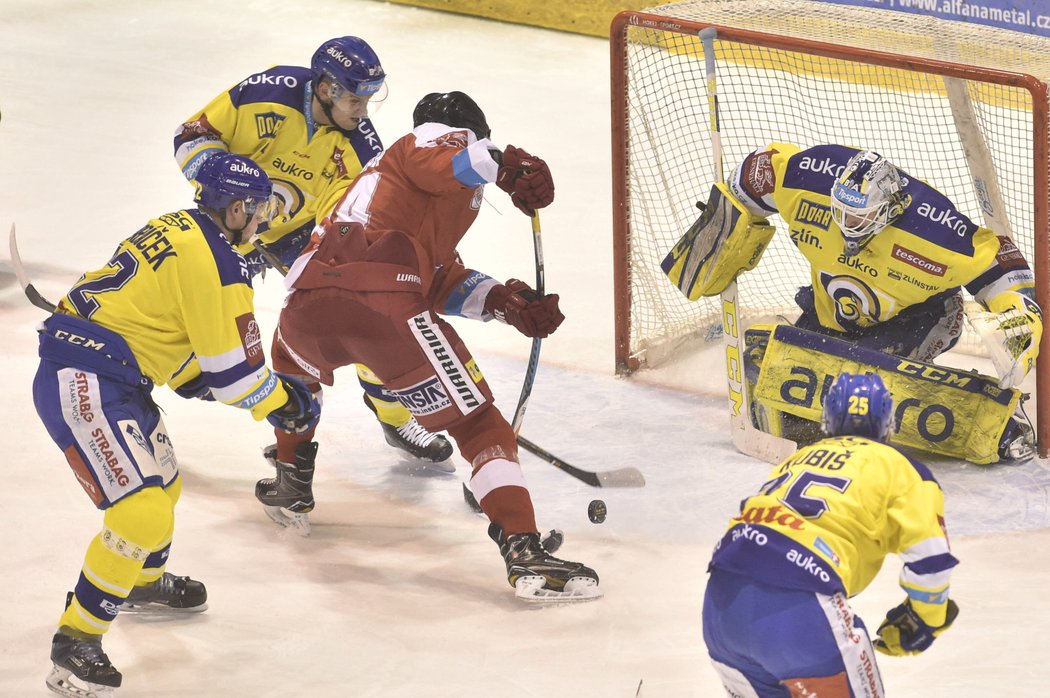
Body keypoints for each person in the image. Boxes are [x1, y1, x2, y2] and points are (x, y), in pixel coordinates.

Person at [257, 90, 601, 601]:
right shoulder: (435, 138)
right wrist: (504, 164)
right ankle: (524, 549)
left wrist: (506, 303)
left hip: (305, 309)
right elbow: (448, 156)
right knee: (477, 423)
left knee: (293, 370)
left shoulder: (392, 189)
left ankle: (291, 479)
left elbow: (438, 277)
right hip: (383, 309)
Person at [34, 154, 320, 697]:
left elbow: (164, 329)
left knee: (166, 488)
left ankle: (137, 582)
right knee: (139, 511)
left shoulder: (178, 225)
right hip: (89, 380)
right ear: (236, 208)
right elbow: (237, 378)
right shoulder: (219, 263)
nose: (262, 221)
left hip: (113, 371)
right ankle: (76, 643)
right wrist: (284, 401)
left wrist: (200, 376)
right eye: (258, 210)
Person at [173, 35, 452, 464]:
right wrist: (223, 189)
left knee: (365, 315)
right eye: (356, 101)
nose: (363, 113)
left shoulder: (361, 150)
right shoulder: (266, 93)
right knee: (191, 290)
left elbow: (344, 221)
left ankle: (393, 416)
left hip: (294, 234)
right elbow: (192, 136)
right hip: (225, 213)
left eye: (369, 100)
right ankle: (175, 358)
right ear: (326, 89)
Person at [723, 142, 1039, 459]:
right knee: (769, 365)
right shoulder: (807, 179)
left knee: (864, 390)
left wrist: (1016, 318)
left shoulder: (935, 231)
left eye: (858, 217)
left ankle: (993, 413)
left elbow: (999, 264)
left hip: (920, 318)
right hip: (835, 313)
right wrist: (723, 223)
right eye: (841, 211)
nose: (847, 225)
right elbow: (756, 177)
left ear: (888, 210)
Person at [702, 372, 959, 697]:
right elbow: (931, 560)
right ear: (887, 422)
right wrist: (925, 620)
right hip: (799, 609)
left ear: (829, 419)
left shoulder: (796, 459)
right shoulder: (902, 467)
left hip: (722, 603)